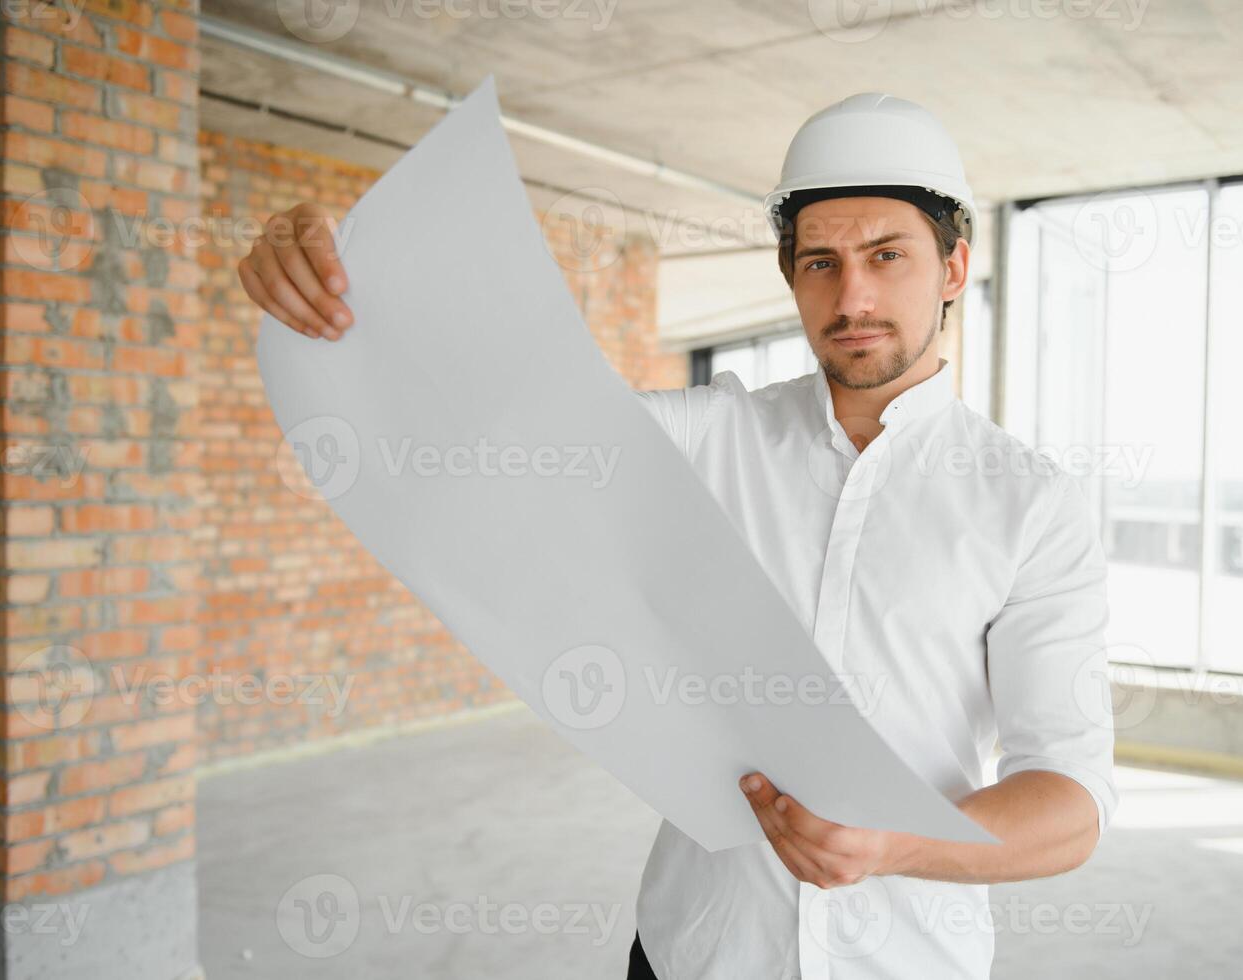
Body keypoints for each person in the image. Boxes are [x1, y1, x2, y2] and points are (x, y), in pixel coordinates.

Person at [238, 93, 1118, 980]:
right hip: (695, 953)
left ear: (954, 266)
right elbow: (483, 423)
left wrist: (896, 845)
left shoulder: (1030, 505)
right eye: (819, 262)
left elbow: (1071, 804)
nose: (851, 296)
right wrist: (341, 258)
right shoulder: (707, 440)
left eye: (886, 255)